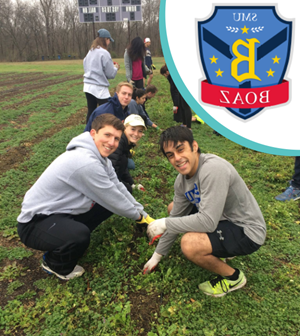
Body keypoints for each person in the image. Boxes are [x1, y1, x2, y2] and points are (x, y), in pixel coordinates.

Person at [17, 114, 154, 281]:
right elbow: (113, 198)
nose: (112, 142)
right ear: (93, 133)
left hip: (57, 212)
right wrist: (139, 217)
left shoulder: (102, 159)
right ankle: (55, 264)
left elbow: (117, 187)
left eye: (117, 138)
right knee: (79, 234)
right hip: (34, 223)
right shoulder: (85, 162)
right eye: (107, 135)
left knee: (105, 205)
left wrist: (144, 215)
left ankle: (67, 238)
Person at [143, 126, 266, 297]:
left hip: (247, 230)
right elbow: (176, 216)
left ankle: (234, 278)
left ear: (194, 146)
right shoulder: (181, 181)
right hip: (222, 220)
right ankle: (221, 249)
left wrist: (164, 223)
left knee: (189, 244)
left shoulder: (213, 169)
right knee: (173, 209)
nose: (177, 158)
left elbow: (207, 222)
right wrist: (157, 256)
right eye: (170, 155)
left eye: (180, 149)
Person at [83, 28, 120, 123]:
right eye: (109, 40)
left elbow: (85, 64)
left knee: (91, 111)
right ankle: (106, 131)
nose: (109, 42)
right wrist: (115, 68)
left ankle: (88, 132)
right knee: (107, 111)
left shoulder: (90, 51)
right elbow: (110, 74)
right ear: (105, 39)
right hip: (99, 88)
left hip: (88, 86)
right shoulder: (104, 53)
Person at [109, 114, 146, 193]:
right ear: (124, 128)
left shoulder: (125, 142)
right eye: (133, 129)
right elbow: (110, 175)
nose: (136, 134)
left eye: (140, 131)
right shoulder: (118, 144)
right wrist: (127, 187)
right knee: (128, 190)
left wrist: (132, 183)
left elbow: (123, 166)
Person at [160, 64, 192, 129]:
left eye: (165, 75)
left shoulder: (173, 75)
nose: (165, 77)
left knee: (186, 107)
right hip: (180, 91)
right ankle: (184, 124)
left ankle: (189, 127)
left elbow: (174, 89)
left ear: (167, 72)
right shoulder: (171, 76)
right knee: (182, 106)